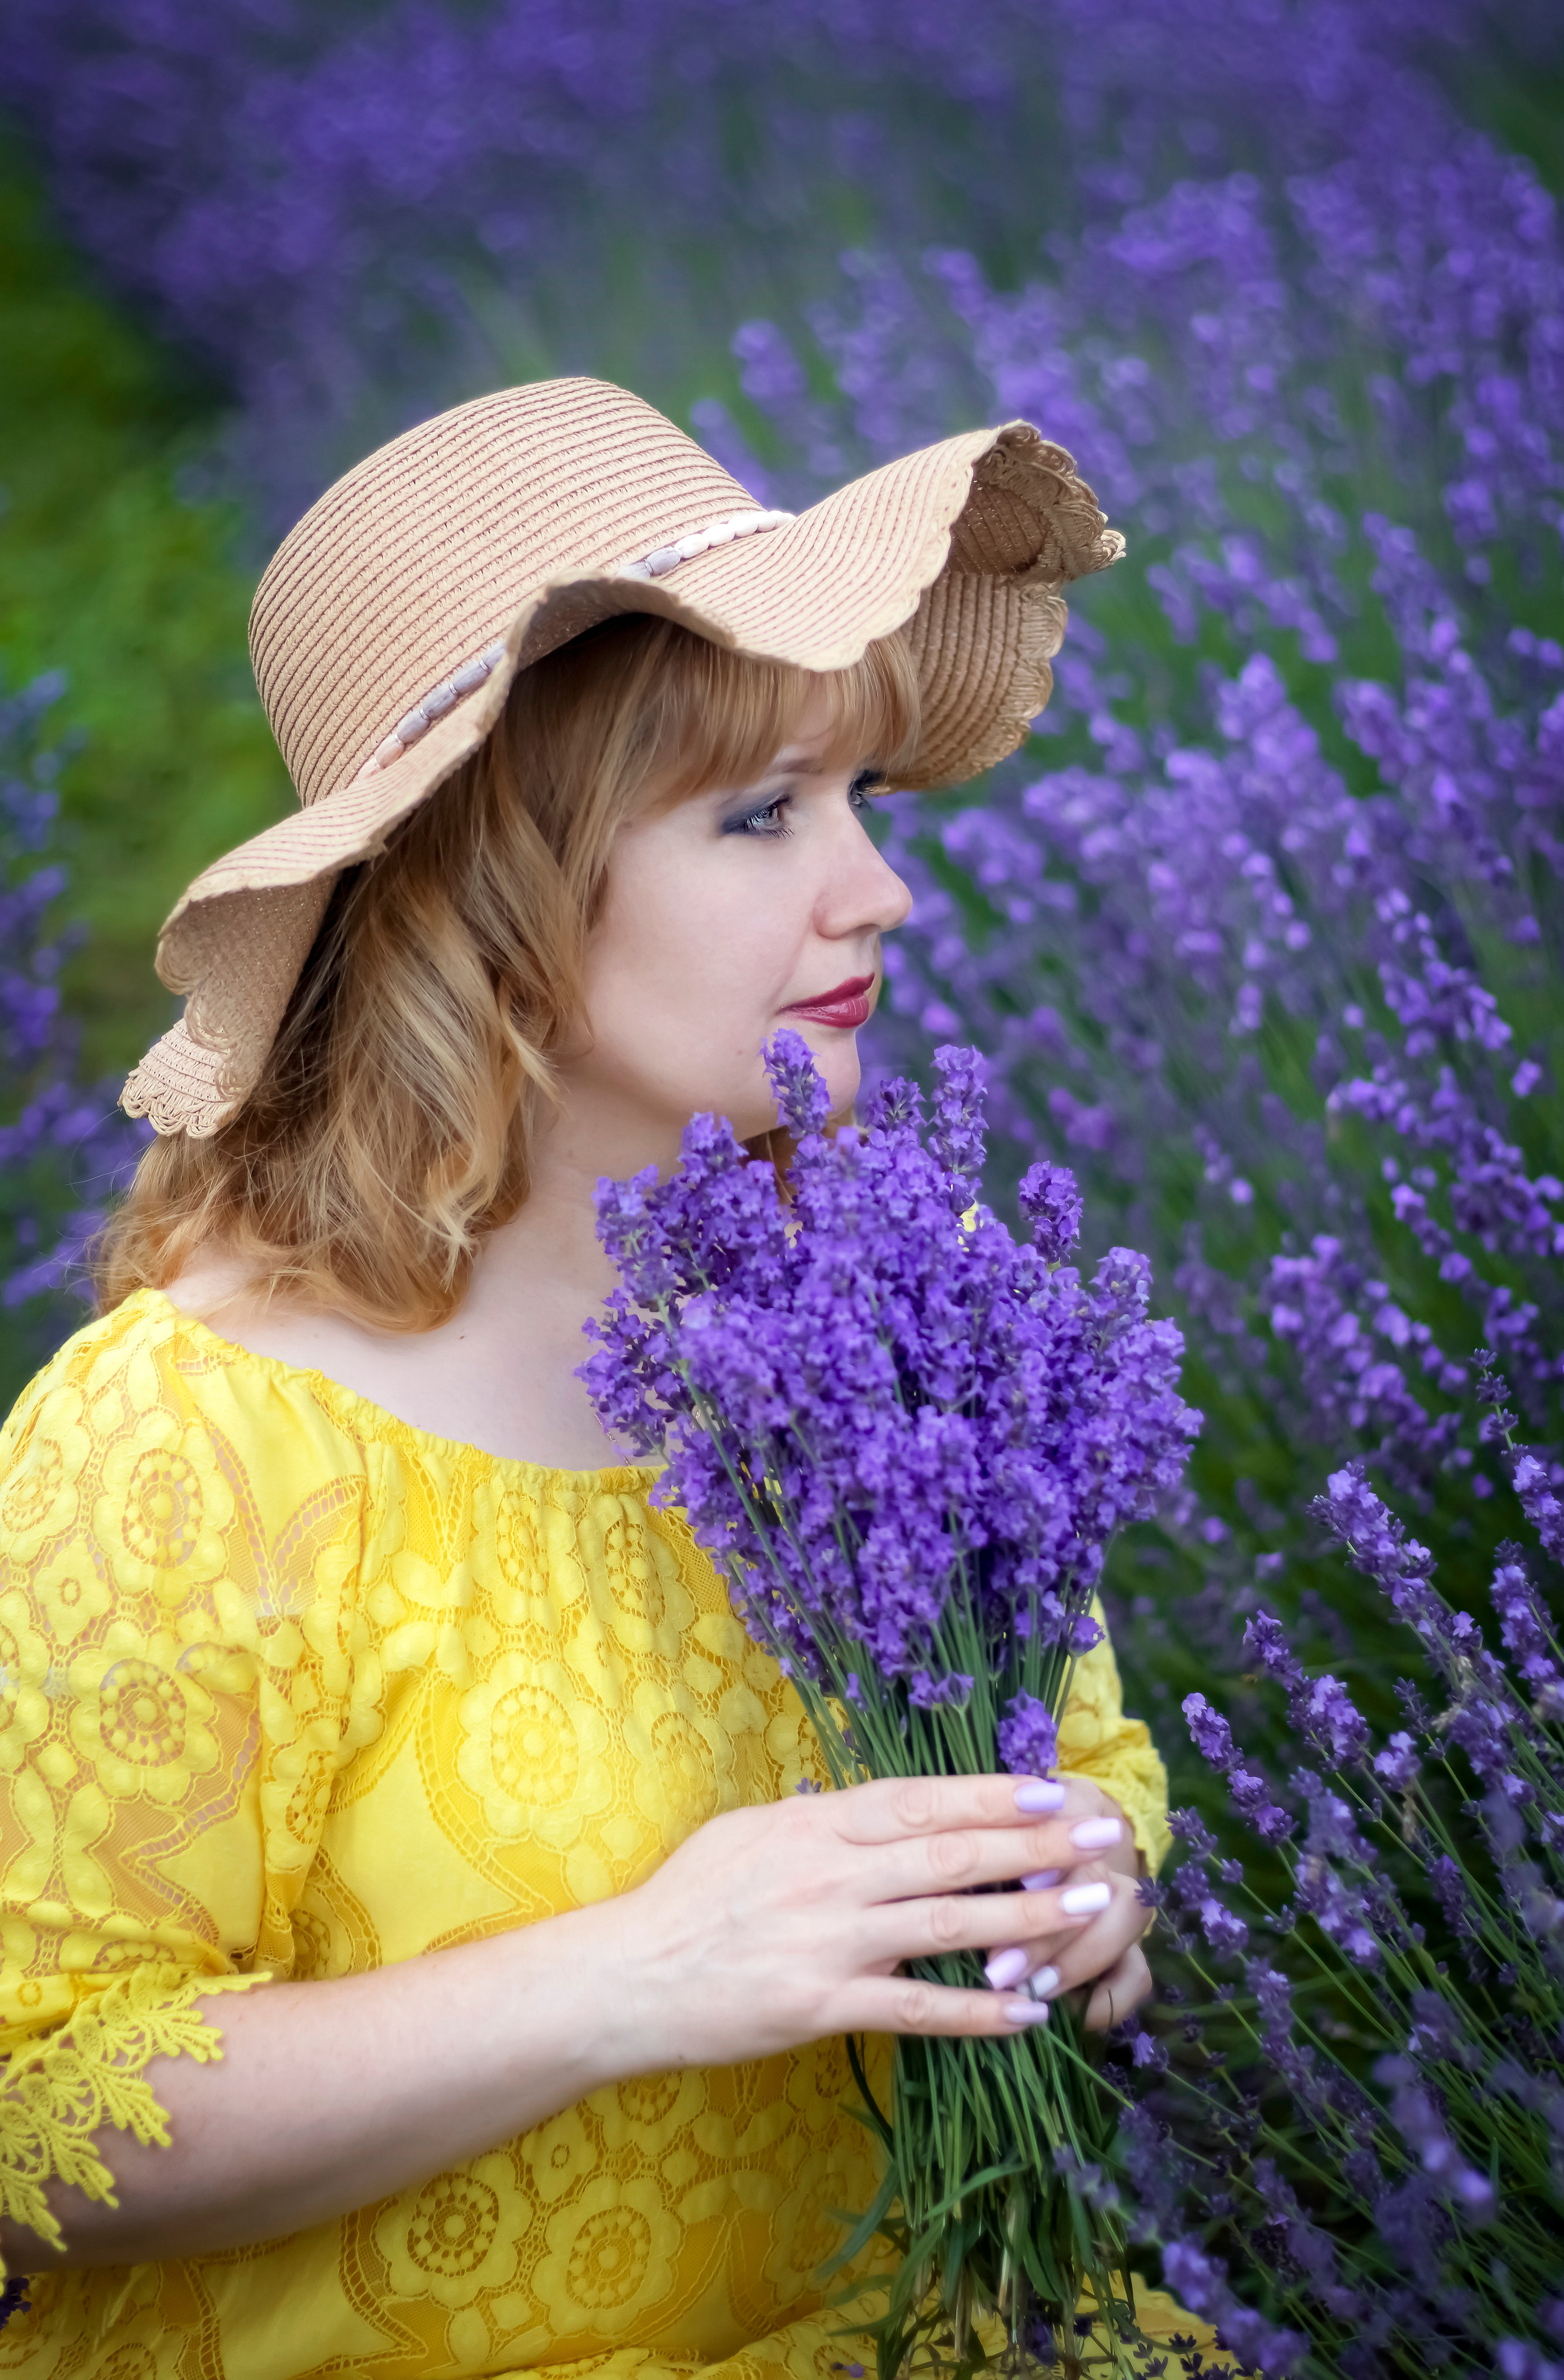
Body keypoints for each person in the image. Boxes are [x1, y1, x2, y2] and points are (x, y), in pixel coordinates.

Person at [0, 379, 1218, 2377]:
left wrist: (1082, 1898)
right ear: (498, 891)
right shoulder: (188, 1437)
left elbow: (1079, 1773)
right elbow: (37, 2123)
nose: (879, 893)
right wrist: (636, 1972)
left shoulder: (913, 1306)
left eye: (864, 802)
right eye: (760, 817)